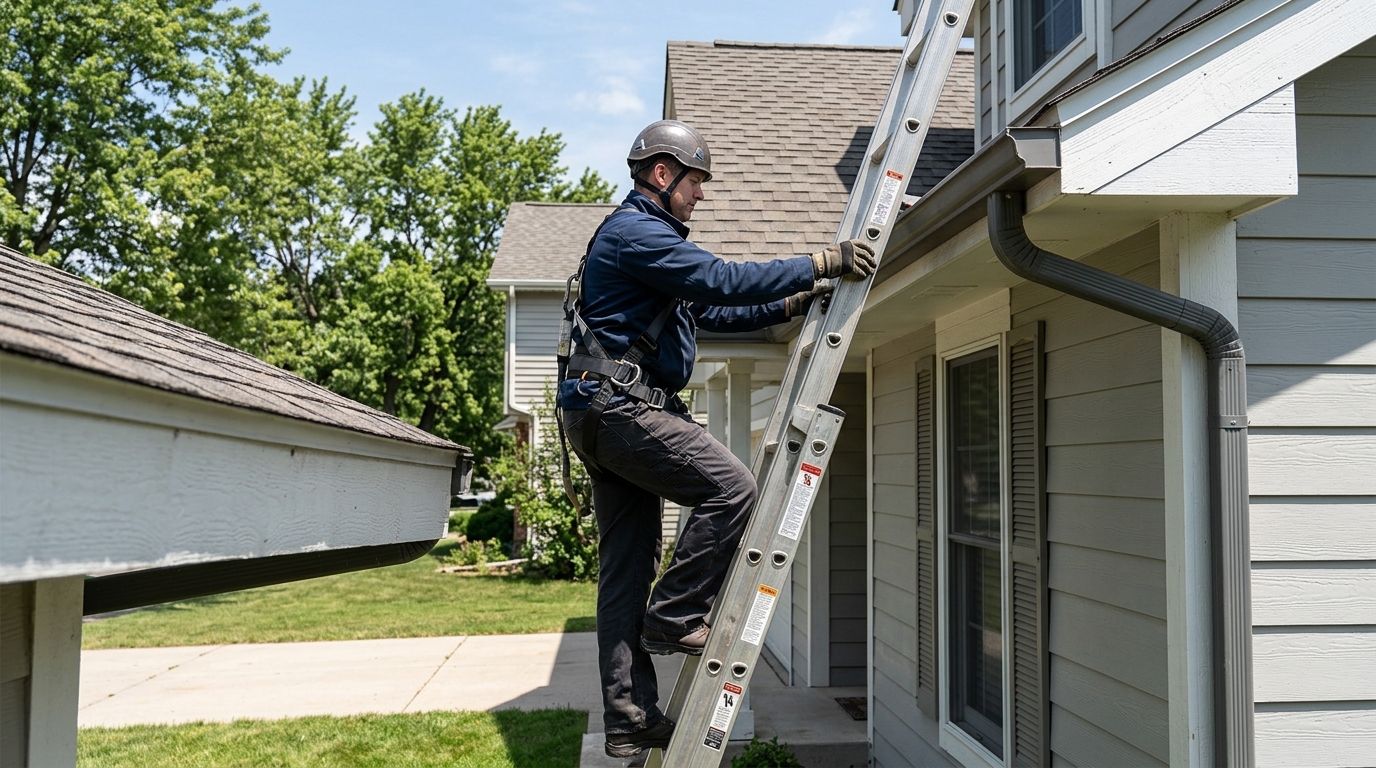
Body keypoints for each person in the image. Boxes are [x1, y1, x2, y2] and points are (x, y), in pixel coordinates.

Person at [557, 119, 876, 758]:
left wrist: (790, 302)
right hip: (618, 405)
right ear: (662, 174)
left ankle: (628, 717)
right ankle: (674, 618)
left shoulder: (645, 248)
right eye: (696, 182)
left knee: (627, 568)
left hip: (601, 408)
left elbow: (711, 309)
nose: (700, 195)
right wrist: (819, 261)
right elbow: (720, 280)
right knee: (733, 489)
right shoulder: (636, 233)